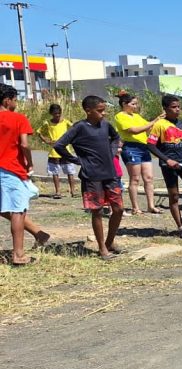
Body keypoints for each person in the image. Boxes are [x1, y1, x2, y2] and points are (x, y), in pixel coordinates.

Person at [54, 95, 124, 260]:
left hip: (110, 174)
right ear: (88, 110)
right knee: (97, 211)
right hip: (91, 176)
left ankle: (110, 242)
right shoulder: (80, 127)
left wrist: (112, 151)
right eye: (100, 111)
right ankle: (102, 248)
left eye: (104, 110)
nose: (104, 113)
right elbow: (59, 145)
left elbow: (116, 138)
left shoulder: (105, 125)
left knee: (119, 209)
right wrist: (77, 160)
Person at [0, 83, 49, 266]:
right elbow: (24, 144)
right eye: (15, 100)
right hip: (11, 168)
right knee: (18, 211)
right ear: (7, 100)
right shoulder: (18, 119)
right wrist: (29, 161)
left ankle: (38, 233)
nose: (16, 103)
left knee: (5, 208)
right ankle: (19, 254)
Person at [147, 95, 182, 239]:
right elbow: (150, 145)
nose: (177, 109)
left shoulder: (181, 124)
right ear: (165, 108)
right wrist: (167, 160)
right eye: (174, 107)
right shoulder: (160, 124)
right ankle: (180, 226)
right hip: (169, 165)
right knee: (174, 196)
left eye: (178, 106)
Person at [112, 93, 163, 215]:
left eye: (136, 104)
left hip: (143, 147)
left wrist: (159, 122)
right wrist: (154, 120)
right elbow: (134, 131)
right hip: (131, 147)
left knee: (149, 178)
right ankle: (135, 207)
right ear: (124, 104)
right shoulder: (120, 116)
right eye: (133, 104)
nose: (135, 106)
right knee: (135, 178)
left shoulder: (136, 116)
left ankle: (151, 205)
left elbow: (148, 127)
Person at [38, 103, 78, 199]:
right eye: (55, 114)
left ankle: (73, 191)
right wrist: (46, 140)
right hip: (54, 150)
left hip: (65, 149)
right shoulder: (47, 123)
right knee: (55, 172)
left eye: (59, 113)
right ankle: (58, 191)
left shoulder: (65, 122)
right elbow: (39, 132)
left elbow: (75, 129)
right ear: (51, 113)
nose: (57, 116)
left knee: (70, 171)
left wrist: (71, 140)